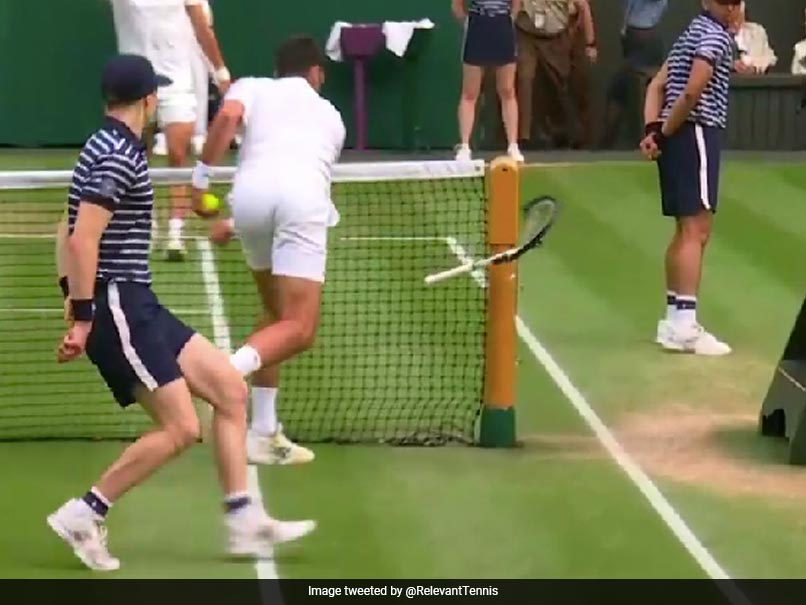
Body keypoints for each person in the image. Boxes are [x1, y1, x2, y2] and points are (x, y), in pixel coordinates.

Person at [48, 54, 314, 571]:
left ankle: (244, 518)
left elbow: (66, 226)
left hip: (137, 301)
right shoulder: (117, 155)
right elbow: (82, 239)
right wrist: (83, 314)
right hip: (118, 304)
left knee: (231, 390)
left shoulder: (108, 145)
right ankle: (85, 512)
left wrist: (70, 290)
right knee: (181, 428)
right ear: (148, 100)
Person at [190, 36, 344, 465]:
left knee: (276, 314)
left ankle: (262, 431)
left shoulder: (251, 87)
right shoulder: (332, 116)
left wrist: (202, 185)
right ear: (317, 73)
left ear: (280, 70)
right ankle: (222, 372)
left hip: (248, 202)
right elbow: (305, 184)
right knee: (300, 327)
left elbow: (228, 117)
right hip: (300, 203)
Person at [640, 0, 741, 356]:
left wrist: (653, 130)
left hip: (678, 135)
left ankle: (674, 321)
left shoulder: (692, 32)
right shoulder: (714, 36)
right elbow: (692, 91)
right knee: (696, 229)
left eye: (736, 1)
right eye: (725, 2)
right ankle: (684, 326)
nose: (732, 8)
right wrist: (664, 132)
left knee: (687, 228)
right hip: (695, 133)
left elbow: (657, 85)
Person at [109, 0, 231, 261]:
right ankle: (146, 225)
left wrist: (220, 72)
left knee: (178, 154)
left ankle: (176, 233)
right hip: (134, 81)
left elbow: (201, 27)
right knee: (135, 158)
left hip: (177, 80)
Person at [453, 0, 524, 163]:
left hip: (503, 28)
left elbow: (517, 5)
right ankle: (464, 146)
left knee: (507, 90)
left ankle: (513, 146)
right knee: (470, 93)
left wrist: (506, 21)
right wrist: (469, 24)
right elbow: (457, 6)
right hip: (477, 28)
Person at [600, 0, 669, 149]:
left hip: (647, 43)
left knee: (621, 87)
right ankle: (611, 139)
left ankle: (609, 140)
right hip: (630, 43)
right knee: (622, 89)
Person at [515, 0, 575, 150]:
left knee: (559, 82)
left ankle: (562, 132)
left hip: (556, 35)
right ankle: (524, 136)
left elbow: (579, 7)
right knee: (525, 78)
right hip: (525, 32)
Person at [733, 1, 777, 74]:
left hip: (755, 78)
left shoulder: (757, 31)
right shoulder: (717, 33)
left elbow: (770, 58)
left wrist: (754, 68)